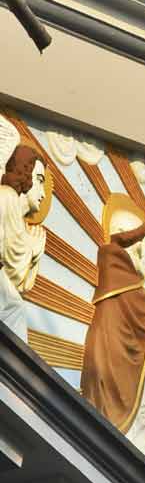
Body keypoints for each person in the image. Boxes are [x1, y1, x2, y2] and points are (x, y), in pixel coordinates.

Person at [81, 195, 145, 466]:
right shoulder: (131, 292)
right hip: (114, 376)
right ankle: (135, 457)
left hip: (110, 372)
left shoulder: (115, 286)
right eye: (142, 248)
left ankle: (141, 457)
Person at [0, 143, 49, 340]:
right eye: (39, 180)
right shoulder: (6, 197)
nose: (43, 194)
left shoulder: (22, 224)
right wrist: (31, 249)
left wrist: (31, 250)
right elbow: (10, 265)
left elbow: (22, 285)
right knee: (15, 308)